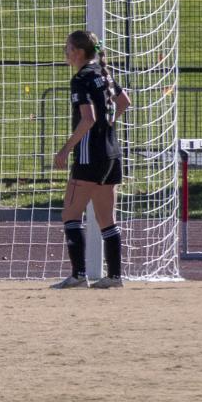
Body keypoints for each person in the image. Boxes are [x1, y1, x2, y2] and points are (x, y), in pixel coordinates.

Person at [50, 29, 133, 289]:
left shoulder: (82, 78)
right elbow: (124, 102)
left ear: (77, 51)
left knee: (70, 215)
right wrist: (107, 126)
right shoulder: (103, 74)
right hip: (112, 153)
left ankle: (78, 275)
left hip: (89, 156)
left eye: (67, 47)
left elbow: (88, 118)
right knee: (107, 219)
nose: (65, 52)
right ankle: (115, 276)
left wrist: (65, 149)